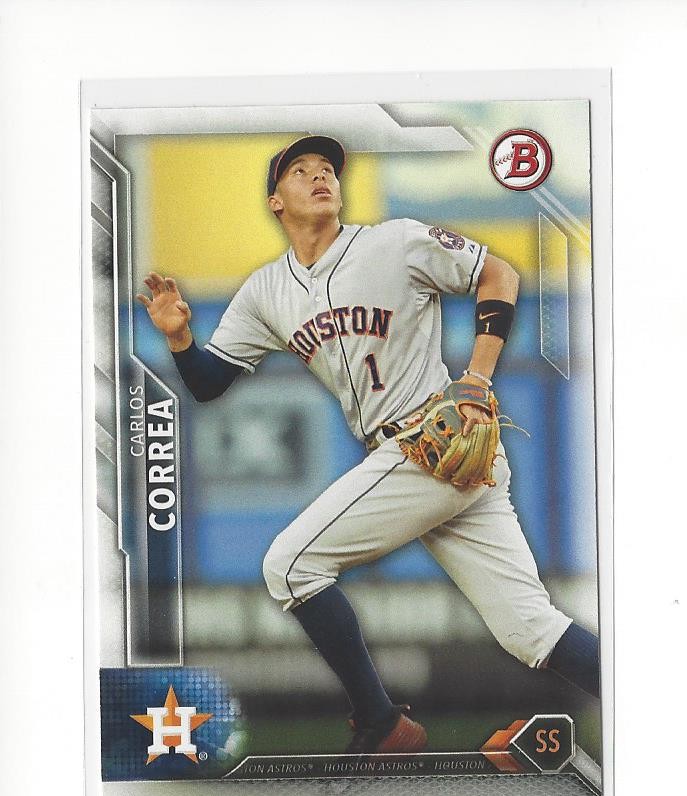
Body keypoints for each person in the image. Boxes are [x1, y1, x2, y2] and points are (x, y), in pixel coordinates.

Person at [138, 135, 599, 755]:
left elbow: (499, 273)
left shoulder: (393, 242)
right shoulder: (266, 291)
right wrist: (178, 339)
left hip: (433, 438)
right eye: (300, 171)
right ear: (276, 202)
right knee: (529, 630)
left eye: (327, 169)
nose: (320, 176)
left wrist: (477, 378)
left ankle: (382, 723)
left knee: (290, 567)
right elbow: (209, 382)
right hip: (431, 457)